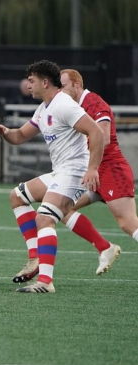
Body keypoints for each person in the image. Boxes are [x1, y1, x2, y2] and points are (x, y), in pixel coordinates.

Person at [0, 60, 105, 293]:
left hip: (74, 171)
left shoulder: (63, 105)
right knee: (17, 197)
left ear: (44, 82)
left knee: (44, 218)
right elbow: (20, 135)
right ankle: (35, 259)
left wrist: (92, 169)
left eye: (31, 81)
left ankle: (45, 282)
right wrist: (5, 132)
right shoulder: (44, 108)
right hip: (61, 171)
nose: (28, 86)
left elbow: (96, 132)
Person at [59, 69, 136, 268]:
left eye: (64, 86)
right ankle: (104, 247)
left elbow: (104, 137)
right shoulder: (74, 107)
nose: (60, 91)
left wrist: (91, 166)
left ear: (76, 84)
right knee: (62, 209)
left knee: (128, 223)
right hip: (94, 174)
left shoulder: (93, 102)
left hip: (110, 170)